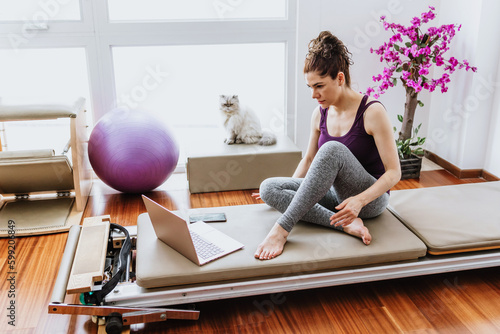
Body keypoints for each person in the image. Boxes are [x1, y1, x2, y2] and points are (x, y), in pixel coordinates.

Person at [253, 31, 401, 260]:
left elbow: (394, 173)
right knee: (268, 188)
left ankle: (281, 229)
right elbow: (310, 159)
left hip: (368, 200)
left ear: (340, 79)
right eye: (310, 87)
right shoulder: (319, 113)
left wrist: (359, 201)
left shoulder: (372, 112)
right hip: (334, 194)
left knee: (332, 150)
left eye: (319, 86)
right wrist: (291, 186)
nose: (313, 94)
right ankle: (345, 225)